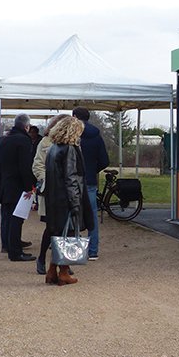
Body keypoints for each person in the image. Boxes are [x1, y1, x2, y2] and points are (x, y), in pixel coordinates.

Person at [43, 116, 93, 286]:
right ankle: (63, 272)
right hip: (66, 198)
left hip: (54, 198)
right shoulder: (70, 149)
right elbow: (71, 178)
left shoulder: (53, 148)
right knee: (68, 236)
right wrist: (75, 203)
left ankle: (51, 270)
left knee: (58, 235)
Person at [0, 113, 36, 262]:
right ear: (26, 126)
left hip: (5, 184)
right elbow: (25, 166)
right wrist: (29, 186)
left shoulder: (4, 141)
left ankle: (9, 244)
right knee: (16, 219)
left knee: (8, 217)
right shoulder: (24, 141)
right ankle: (15, 252)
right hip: (17, 186)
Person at [32, 114, 70, 276]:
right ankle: (41, 258)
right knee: (51, 228)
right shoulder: (45, 142)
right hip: (50, 191)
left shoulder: (71, 144)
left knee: (67, 228)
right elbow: (37, 165)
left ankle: (62, 262)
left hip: (66, 191)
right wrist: (46, 180)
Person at [72, 107, 109, 259]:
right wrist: (93, 170)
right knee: (92, 215)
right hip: (90, 180)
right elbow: (105, 160)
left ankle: (73, 250)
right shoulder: (96, 136)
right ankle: (93, 251)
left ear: (75, 117)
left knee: (72, 214)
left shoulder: (72, 135)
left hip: (73, 180)